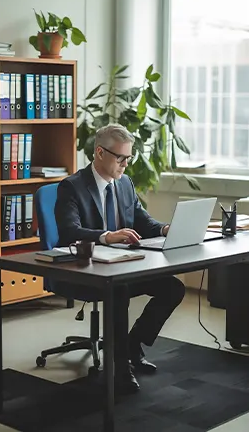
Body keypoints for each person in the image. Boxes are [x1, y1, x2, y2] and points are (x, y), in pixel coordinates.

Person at [55, 123, 185, 394]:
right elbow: (69, 231)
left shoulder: (124, 182)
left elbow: (141, 218)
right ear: (100, 153)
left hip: (124, 265)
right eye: (121, 158)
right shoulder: (72, 187)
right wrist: (106, 236)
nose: (126, 164)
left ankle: (132, 343)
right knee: (119, 290)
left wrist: (163, 229)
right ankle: (120, 367)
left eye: (129, 157)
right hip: (86, 268)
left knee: (173, 288)